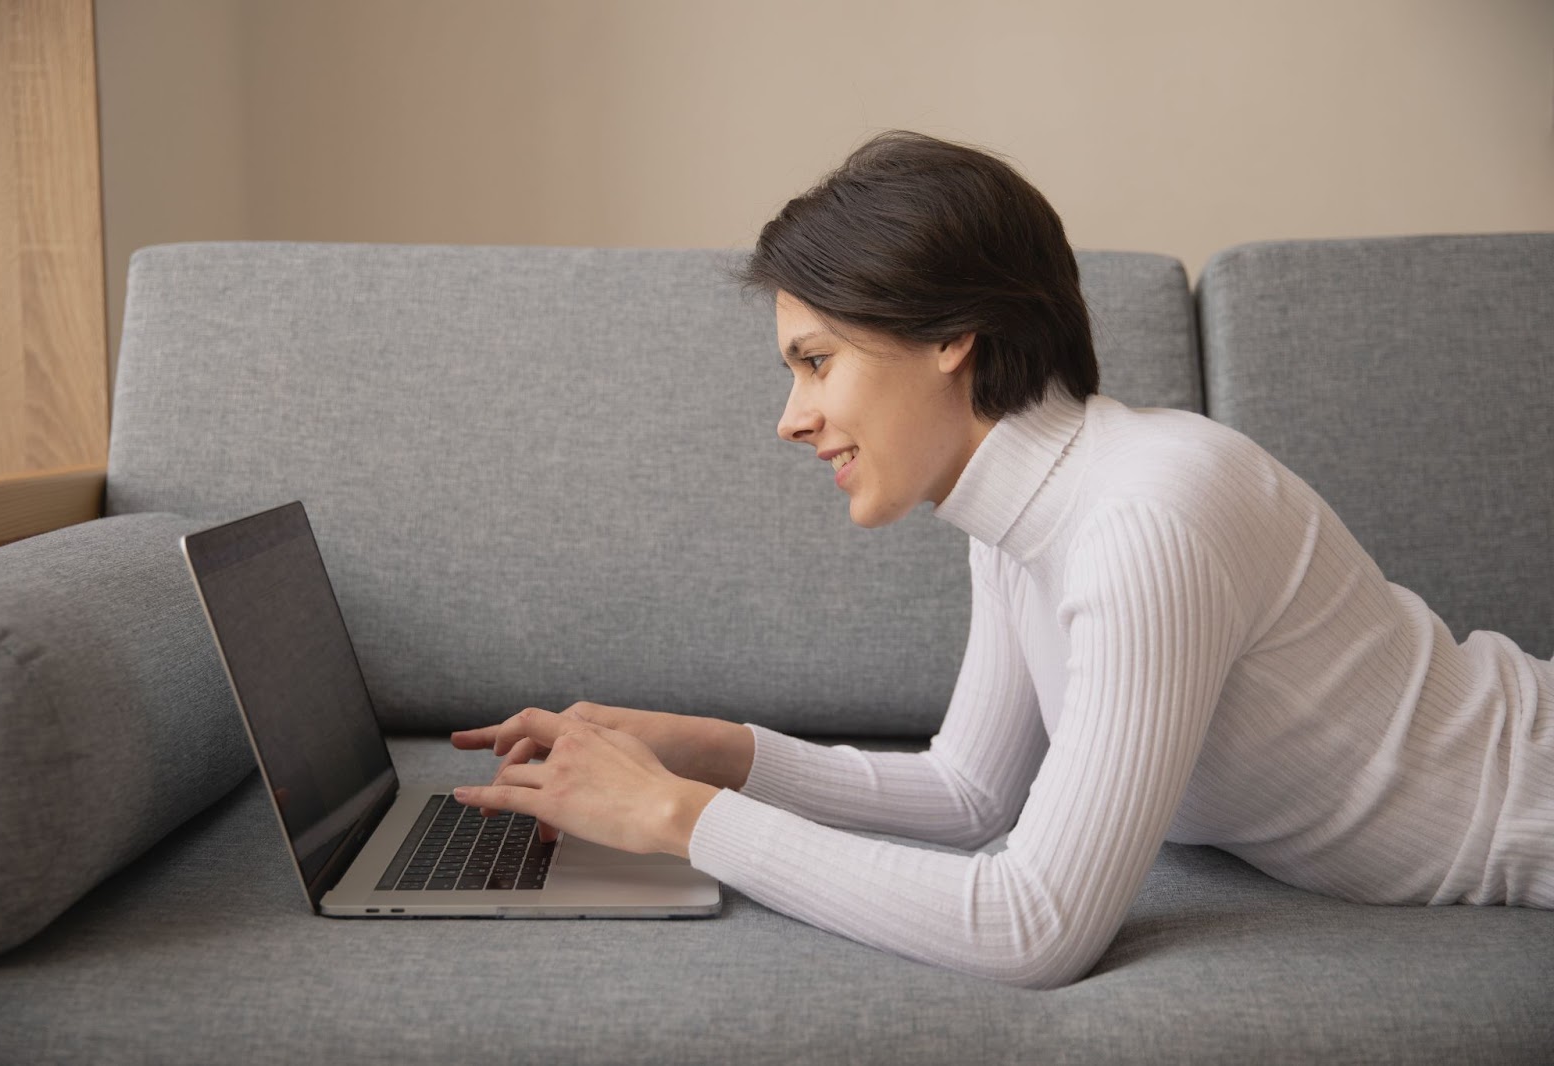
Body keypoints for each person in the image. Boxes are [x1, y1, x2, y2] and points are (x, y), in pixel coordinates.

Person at [450, 130, 1554, 989]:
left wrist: (677, 819)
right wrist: (708, 751)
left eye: (817, 360)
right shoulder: (1022, 516)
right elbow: (973, 792)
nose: (792, 418)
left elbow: (1038, 926)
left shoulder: (1140, 520)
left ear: (948, 334)